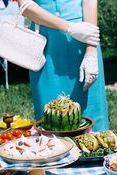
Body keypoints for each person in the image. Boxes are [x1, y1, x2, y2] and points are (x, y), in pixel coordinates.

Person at [19, 0, 109, 132]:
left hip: (82, 38)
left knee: (91, 114)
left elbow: (89, 2)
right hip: (45, 42)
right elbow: (25, 6)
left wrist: (90, 50)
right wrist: (69, 27)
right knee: (50, 118)